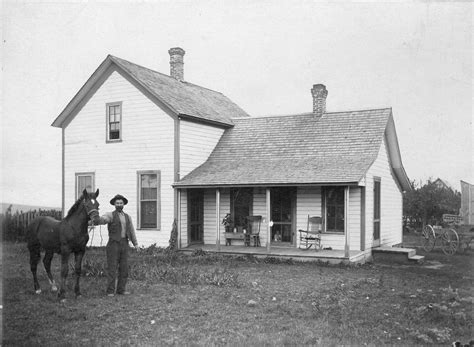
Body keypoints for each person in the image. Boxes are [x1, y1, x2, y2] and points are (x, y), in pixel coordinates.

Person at [96, 194, 138, 296]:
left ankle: (121, 290)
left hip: (124, 244)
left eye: (121, 203)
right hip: (113, 244)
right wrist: (96, 219)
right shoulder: (110, 215)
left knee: (124, 268)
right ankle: (110, 291)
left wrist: (135, 244)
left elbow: (131, 231)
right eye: (117, 203)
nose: (119, 204)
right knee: (112, 268)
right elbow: (103, 219)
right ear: (114, 204)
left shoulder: (128, 217)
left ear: (123, 204)